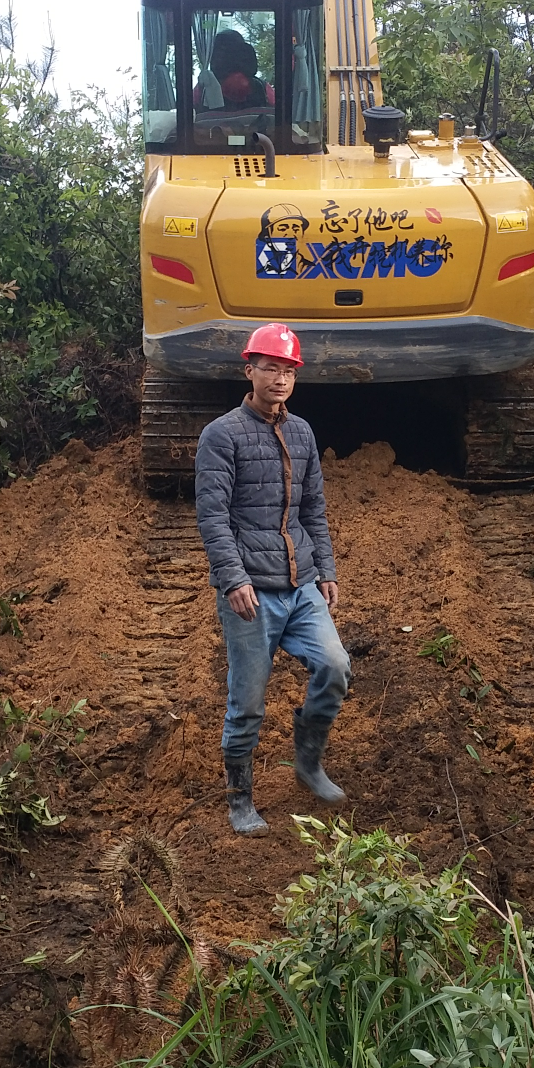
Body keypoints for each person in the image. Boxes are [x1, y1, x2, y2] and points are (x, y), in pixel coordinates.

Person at [193, 323, 350, 836]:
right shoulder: (221, 435)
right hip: (251, 593)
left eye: (288, 370)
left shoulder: (302, 432)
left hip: (301, 583)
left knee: (334, 665)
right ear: (250, 370)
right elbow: (212, 517)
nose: (280, 378)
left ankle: (308, 762)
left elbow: (314, 509)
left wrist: (324, 569)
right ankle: (240, 797)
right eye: (271, 368)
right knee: (248, 701)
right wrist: (233, 578)